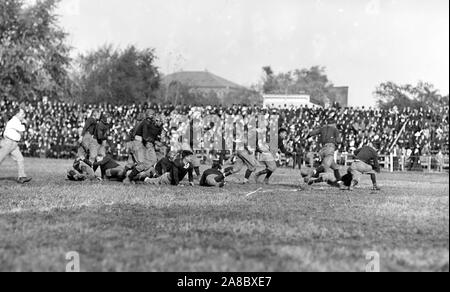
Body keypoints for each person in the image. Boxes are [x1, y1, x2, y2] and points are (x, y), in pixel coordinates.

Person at [306, 117, 343, 185]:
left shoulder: (322, 128)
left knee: (335, 167)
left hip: (322, 149)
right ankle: (309, 174)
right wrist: (339, 140)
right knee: (324, 166)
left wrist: (307, 137)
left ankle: (339, 181)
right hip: (330, 148)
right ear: (334, 124)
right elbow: (338, 141)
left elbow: (311, 133)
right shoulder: (335, 129)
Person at [0, 107, 32, 184]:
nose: (24, 115)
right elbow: (22, 129)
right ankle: (21, 177)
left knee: (20, 159)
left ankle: (22, 177)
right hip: (8, 143)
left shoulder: (16, 121)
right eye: (22, 114)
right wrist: (24, 122)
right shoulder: (14, 121)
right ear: (17, 114)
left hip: (13, 144)